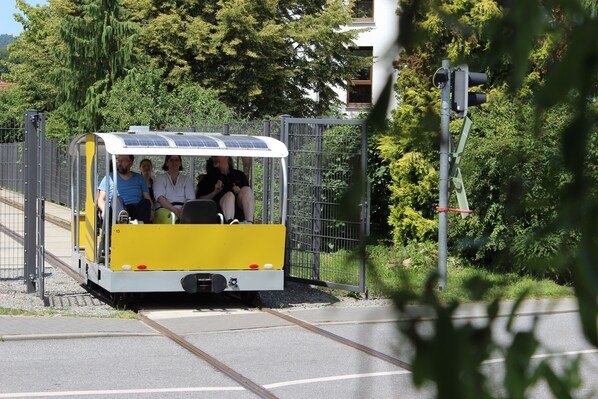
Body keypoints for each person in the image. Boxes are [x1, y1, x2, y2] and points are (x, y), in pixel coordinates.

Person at [195, 156, 254, 224]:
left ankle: (249, 222)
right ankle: (230, 222)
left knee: (246, 190)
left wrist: (239, 191)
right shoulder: (208, 178)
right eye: (213, 156)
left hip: (239, 214)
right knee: (229, 196)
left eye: (216, 155)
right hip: (218, 215)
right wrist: (215, 192)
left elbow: (248, 197)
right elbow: (199, 200)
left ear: (226, 156)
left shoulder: (240, 175)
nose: (213, 158)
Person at [97, 154, 153, 224]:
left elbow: (147, 197)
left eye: (123, 161)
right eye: (119, 160)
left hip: (135, 210)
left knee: (146, 202)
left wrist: (152, 210)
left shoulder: (139, 178)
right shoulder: (109, 177)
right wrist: (104, 210)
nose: (119, 163)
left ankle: (141, 231)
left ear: (131, 163)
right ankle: (122, 220)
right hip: (116, 210)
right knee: (116, 199)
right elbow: (101, 199)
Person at [153, 155, 195, 223]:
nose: (174, 162)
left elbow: (190, 199)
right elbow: (160, 198)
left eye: (177, 160)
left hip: (184, 210)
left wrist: (182, 211)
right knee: (172, 219)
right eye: (171, 160)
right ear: (166, 163)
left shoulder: (187, 179)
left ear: (180, 163)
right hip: (163, 209)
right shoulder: (160, 178)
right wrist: (175, 211)